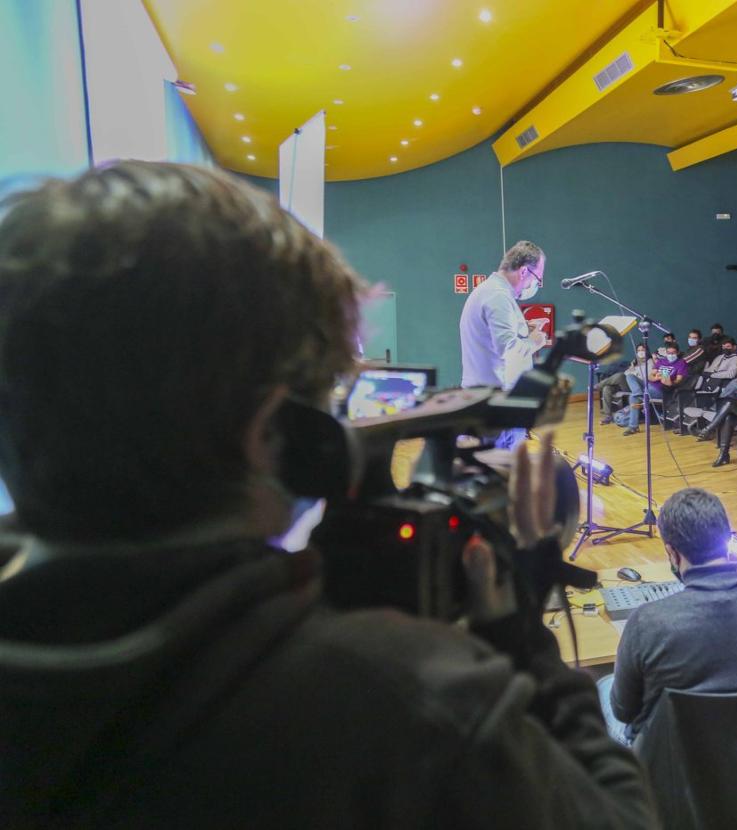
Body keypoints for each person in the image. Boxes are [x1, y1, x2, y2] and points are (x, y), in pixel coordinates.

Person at [0, 162, 655, 827]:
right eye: (328, 398)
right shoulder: (413, 703)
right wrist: (522, 636)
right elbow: (625, 816)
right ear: (276, 435)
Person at [598, 488, 737, 743]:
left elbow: (624, 711)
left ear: (672, 553)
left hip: (672, 768)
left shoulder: (646, 624)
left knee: (602, 687)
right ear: (728, 542)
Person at [460, 240, 548, 448]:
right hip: (498, 406)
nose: (535, 286)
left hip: (484, 400)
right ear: (524, 272)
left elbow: (493, 337)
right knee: (504, 475)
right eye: (538, 279)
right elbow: (508, 350)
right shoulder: (498, 296)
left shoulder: (488, 291)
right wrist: (535, 341)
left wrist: (523, 327)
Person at [619, 343, 655, 436]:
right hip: (638, 387)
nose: (640, 352)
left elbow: (648, 376)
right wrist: (632, 369)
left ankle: (638, 394)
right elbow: (627, 373)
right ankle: (633, 427)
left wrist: (635, 372)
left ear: (647, 351)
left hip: (648, 385)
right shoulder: (635, 362)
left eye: (642, 350)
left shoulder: (650, 361)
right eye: (638, 350)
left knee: (633, 393)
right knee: (632, 397)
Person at [652, 341, 689, 428]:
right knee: (630, 378)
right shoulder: (661, 361)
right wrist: (656, 378)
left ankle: (640, 395)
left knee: (637, 395)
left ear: (678, 353)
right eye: (669, 353)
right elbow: (650, 376)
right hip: (652, 384)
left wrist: (670, 382)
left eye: (673, 353)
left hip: (662, 389)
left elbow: (678, 380)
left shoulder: (681, 363)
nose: (671, 355)